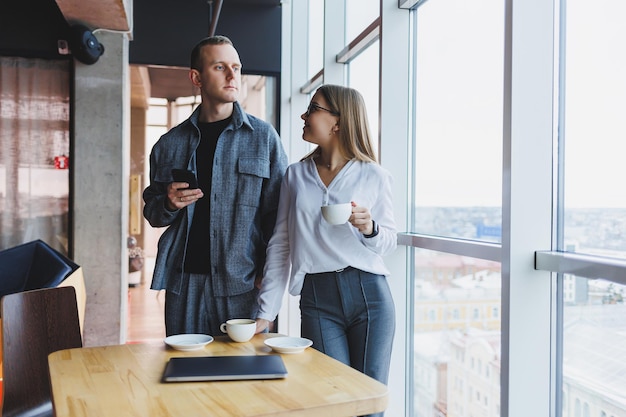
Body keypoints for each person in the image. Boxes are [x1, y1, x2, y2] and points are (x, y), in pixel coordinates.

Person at [255, 84, 397, 417]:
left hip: (369, 295)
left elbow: (389, 241)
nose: (304, 115)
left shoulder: (374, 175)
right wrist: (266, 312)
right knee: (330, 403)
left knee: (368, 405)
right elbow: (281, 244)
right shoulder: (295, 176)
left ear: (338, 121)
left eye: (313, 109)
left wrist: (369, 228)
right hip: (318, 300)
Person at [143, 35, 288, 337]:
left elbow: (279, 218)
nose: (233, 75)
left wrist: (268, 278)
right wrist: (168, 203)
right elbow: (154, 213)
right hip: (184, 286)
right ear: (196, 77)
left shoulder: (264, 138)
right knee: (185, 375)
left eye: (236, 67)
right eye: (220, 67)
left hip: (243, 284)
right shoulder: (168, 145)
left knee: (245, 377)